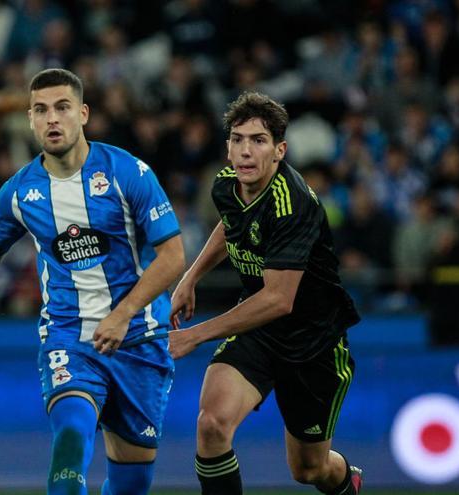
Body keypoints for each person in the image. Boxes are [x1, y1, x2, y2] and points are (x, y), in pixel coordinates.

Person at [0, 68, 185, 495]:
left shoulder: (127, 172)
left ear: (83, 114)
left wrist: (122, 314)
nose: (52, 119)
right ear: (30, 120)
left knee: (132, 482)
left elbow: (173, 256)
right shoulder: (19, 192)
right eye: (41, 110)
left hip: (139, 340)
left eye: (62, 108)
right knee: (72, 435)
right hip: (68, 338)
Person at [168, 92, 363, 495]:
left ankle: (347, 481)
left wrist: (195, 334)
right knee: (211, 424)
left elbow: (278, 299)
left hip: (312, 343)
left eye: (258, 140)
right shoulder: (226, 185)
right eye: (237, 139)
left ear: (279, 150)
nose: (245, 151)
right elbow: (230, 226)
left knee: (309, 470)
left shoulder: (293, 205)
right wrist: (191, 277)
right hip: (258, 330)